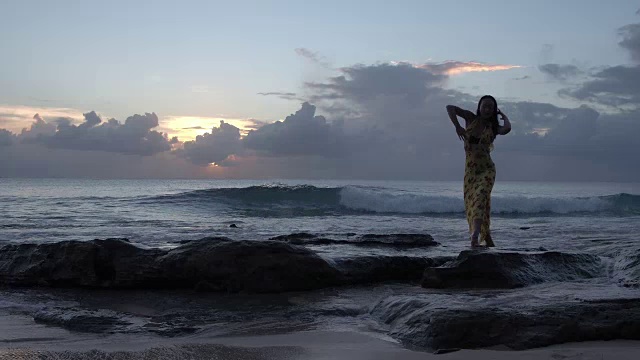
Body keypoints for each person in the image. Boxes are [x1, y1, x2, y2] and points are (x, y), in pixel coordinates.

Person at [446, 95, 511, 247]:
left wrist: (503, 116)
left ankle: (475, 235)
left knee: (481, 198)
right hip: (471, 172)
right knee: (475, 203)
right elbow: (450, 108)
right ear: (479, 106)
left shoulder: (493, 128)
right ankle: (486, 236)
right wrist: (457, 126)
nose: (487, 109)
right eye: (485, 105)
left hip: (487, 169)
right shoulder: (470, 118)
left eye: (491, 107)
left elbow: (507, 128)